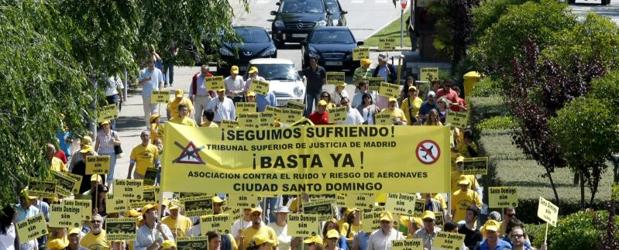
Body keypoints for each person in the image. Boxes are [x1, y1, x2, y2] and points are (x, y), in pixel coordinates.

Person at [138, 57, 165, 127]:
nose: (152, 67)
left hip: (155, 94)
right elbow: (139, 83)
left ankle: (154, 127)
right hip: (146, 94)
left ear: (154, 64)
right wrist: (145, 79)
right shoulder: (143, 71)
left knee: (155, 111)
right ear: (147, 64)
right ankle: (148, 127)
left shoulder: (158, 71)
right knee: (147, 112)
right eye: (150, 65)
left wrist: (160, 90)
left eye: (153, 65)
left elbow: (161, 82)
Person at [95, 120, 122, 184]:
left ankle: (109, 185)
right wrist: (95, 154)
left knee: (111, 170)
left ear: (109, 125)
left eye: (106, 124)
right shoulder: (99, 134)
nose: (105, 126)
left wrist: (114, 142)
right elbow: (96, 145)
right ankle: (102, 185)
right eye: (103, 125)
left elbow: (120, 142)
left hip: (112, 154)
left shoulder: (114, 133)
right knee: (101, 170)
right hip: (101, 154)